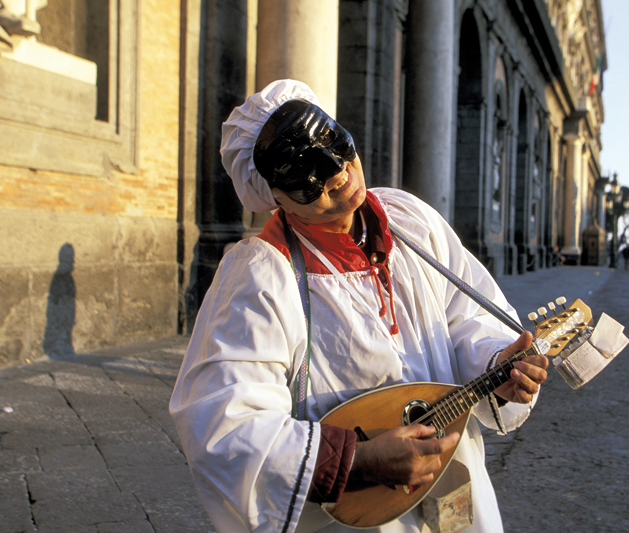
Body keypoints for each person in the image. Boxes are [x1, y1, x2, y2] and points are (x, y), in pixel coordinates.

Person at [169, 79, 549, 533]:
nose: (336, 170)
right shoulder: (258, 277)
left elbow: (465, 315)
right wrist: (357, 460)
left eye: (333, 140)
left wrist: (497, 363)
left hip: (453, 477)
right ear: (272, 195)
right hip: (361, 514)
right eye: (302, 170)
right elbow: (224, 424)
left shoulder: (410, 220)